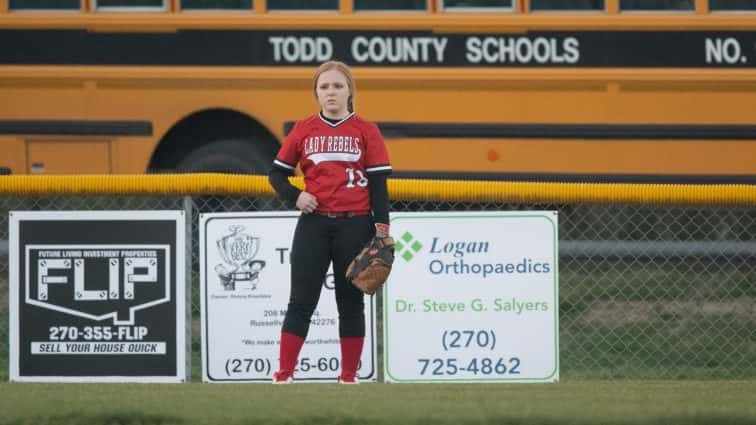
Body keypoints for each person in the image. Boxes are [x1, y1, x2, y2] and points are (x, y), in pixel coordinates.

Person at [268, 60, 392, 384]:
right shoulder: (304, 128)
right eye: (324, 87)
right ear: (316, 93)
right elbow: (277, 173)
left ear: (350, 90)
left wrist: (382, 231)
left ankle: (348, 377)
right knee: (301, 301)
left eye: (337, 85)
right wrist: (294, 196)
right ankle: (283, 375)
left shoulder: (366, 131)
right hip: (315, 224)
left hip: (355, 224)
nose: (331, 92)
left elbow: (379, 186)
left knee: (350, 303)